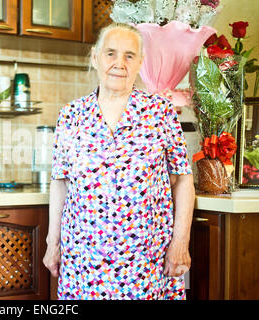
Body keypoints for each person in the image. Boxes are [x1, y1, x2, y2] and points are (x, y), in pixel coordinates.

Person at [43, 23, 195, 300]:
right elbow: (60, 182)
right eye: (110, 53)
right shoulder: (71, 115)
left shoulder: (160, 112)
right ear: (95, 57)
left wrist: (180, 241)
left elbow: (183, 178)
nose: (119, 64)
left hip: (146, 258)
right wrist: (52, 242)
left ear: (140, 62)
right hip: (84, 258)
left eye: (129, 55)